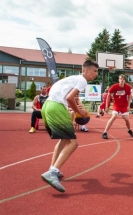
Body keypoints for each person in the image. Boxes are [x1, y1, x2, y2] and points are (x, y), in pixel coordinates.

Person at [40, 60, 99, 192]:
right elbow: (70, 98)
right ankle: (53, 172)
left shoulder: (72, 78)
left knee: (64, 140)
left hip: (47, 106)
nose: (96, 74)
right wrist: (79, 112)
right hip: (56, 107)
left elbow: (66, 96)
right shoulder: (82, 80)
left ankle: (52, 168)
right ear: (86, 70)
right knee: (73, 143)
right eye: (94, 71)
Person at [102, 74, 133, 139]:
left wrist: (128, 106)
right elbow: (108, 96)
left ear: (125, 80)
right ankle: (105, 132)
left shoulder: (128, 87)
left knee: (126, 119)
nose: (122, 80)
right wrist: (106, 106)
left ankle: (129, 130)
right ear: (118, 80)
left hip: (124, 105)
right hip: (117, 104)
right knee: (114, 116)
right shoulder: (114, 87)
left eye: (123, 79)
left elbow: (129, 97)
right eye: (120, 79)